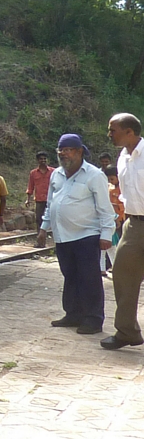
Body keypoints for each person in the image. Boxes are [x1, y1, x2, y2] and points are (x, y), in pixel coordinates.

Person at [42, 134, 115, 336]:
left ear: (79, 151)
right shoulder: (56, 174)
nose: (63, 154)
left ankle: (93, 319)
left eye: (68, 150)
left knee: (89, 278)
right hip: (62, 236)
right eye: (60, 150)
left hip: (86, 235)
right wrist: (43, 227)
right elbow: (50, 204)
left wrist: (106, 234)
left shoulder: (94, 175)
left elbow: (105, 209)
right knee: (70, 276)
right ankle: (73, 314)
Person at [103, 114, 144, 349]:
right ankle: (127, 332)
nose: (110, 134)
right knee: (123, 275)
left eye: (113, 130)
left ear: (130, 132)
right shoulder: (122, 158)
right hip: (133, 224)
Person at [26, 151, 55, 248]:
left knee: (55, 219)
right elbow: (30, 186)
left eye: (44, 159)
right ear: (38, 161)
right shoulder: (33, 173)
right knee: (39, 220)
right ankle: (40, 241)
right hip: (39, 199)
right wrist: (28, 199)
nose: (43, 161)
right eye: (41, 159)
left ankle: (58, 241)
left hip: (52, 199)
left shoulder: (53, 172)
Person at [104, 166, 124, 276]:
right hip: (112, 220)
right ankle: (111, 265)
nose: (110, 181)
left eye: (112, 179)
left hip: (123, 219)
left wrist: (117, 206)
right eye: (109, 179)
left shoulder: (123, 189)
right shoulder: (110, 189)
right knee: (112, 243)